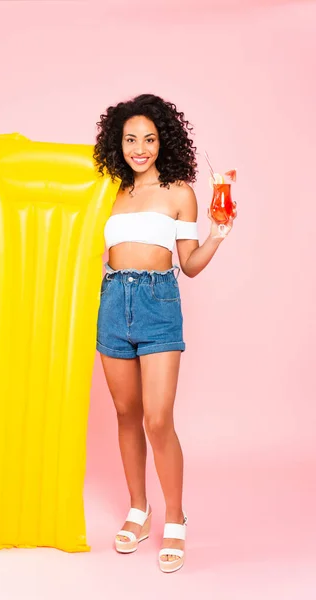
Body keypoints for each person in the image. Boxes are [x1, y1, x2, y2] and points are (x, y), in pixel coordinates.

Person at [93, 93, 237, 573]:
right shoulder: (104, 192)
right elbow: (67, 241)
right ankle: (140, 508)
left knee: (157, 418)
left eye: (149, 139)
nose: (139, 148)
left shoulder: (179, 191)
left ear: (163, 142)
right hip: (112, 303)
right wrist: (2, 233)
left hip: (158, 304)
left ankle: (174, 514)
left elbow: (189, 266)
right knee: (126, 413)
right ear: (118, 143)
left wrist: (218, 235)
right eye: (131, 139)